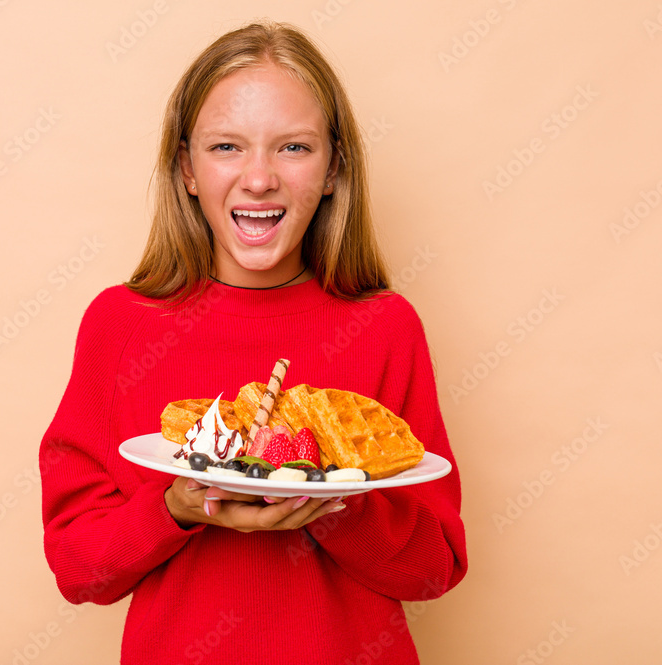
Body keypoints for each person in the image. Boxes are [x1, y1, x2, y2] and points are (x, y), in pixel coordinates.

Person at [39, 19, 467, 665]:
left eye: (294, 147)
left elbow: (434, 571)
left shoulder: (384, 326)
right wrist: (177, 506)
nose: (260, 178)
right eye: (226, 147)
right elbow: (79, 568)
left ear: (333, 169)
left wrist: (334, 503)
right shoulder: (121, 325)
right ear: (186, 168)